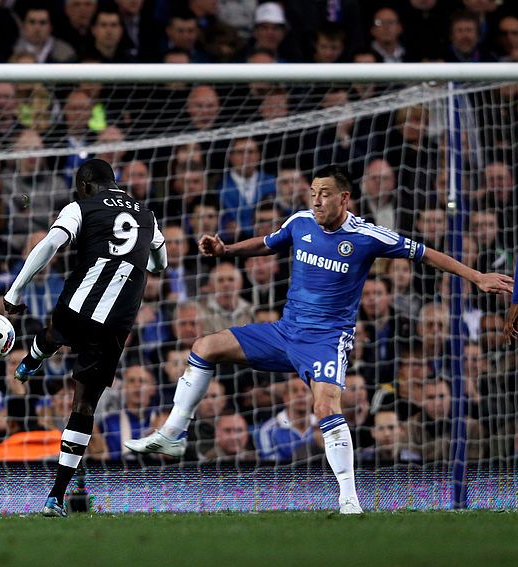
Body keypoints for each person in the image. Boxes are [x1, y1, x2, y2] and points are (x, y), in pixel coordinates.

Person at [126, 165, 512, 514]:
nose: (316, 200)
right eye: (313, 192)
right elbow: (266, 242)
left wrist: (476, 277)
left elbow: (426, 254)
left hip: (327, 341)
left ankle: (349, 499)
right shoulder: (300, 222)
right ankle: (174, 434)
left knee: (326, 407)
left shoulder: (366, 236)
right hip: (284, 332)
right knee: (204, 346)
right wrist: (227, 249)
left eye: (324, 193)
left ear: (344, 197)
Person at [3, 158, 166, 517]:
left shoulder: (81, 206)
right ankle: (55, 498)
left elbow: (50, 245)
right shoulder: (147, 215)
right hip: (115, 323)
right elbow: (160, 263)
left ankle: (32, 359)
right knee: (83, 406)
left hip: (79, 303)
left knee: (54, 332)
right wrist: (143, 260)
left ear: (85, 185)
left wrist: (15, 291)